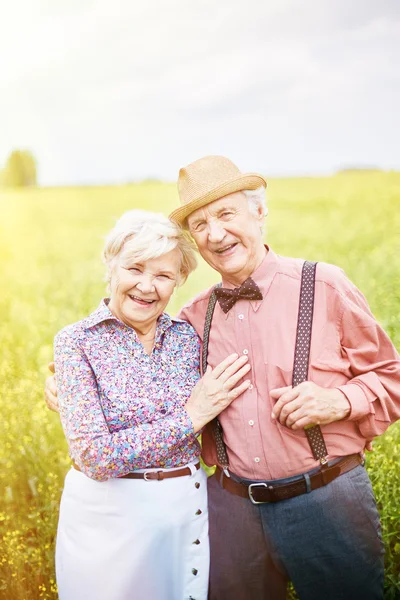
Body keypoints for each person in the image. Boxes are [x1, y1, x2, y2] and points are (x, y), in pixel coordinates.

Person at [45, 156, 400, 600]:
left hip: (327, 501)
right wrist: (64, 382)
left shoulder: (325, 285)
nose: (215, 233)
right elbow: (133, 360)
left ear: (260, 212)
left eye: (227, 214)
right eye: (200, 223)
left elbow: (391, 376)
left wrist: (341, 401)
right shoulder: (193, 319)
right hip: (230, 514)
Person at [51, 209, 251, 600]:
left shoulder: (187, 337)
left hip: (186, 515)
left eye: (163, 275)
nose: (147, 286)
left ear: (180, 280)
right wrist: (190, 418)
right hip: (106, 523)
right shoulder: (76, 342)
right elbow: (94, 456)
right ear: (111, 267)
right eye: (135, 269)